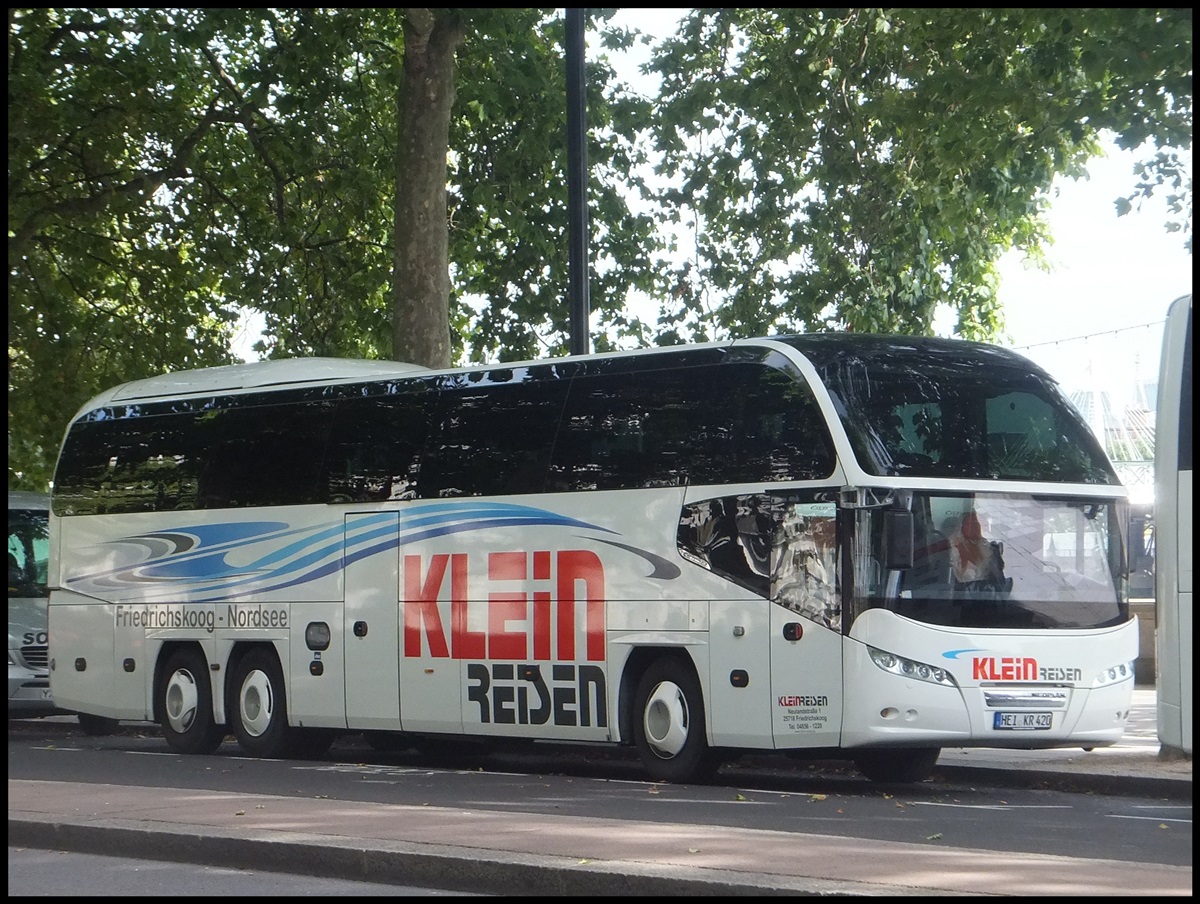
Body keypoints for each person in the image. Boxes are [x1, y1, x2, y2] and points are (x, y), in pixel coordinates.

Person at [949, 511, 1010, 594]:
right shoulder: (955, 544)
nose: (976, 526)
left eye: (977, 523)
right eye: (971, 524)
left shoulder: (982, 543)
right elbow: (963, 578)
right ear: (962, 527)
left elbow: (993, 569)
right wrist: (966, 557)